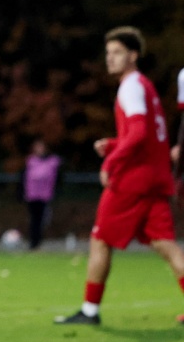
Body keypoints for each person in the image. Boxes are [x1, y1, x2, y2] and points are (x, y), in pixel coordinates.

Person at [55, 27, 184, 326]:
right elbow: (150, 137)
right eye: (108, 53)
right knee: (166, 245)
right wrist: (114, 143)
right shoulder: (145, 87)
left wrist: (111, 161)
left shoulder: (131, 86)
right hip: (155, 177)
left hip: (133, 182)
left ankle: (89, 310)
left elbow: (139, 133)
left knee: (100, 240)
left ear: (133, 55)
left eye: (116, 53)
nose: (110, 59)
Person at [22, 139, 61, 250]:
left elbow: (57, 177)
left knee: (42, 219)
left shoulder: (52, 162)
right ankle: (34, 242)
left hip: (45, 195)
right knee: (34, 219)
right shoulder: (31, 161)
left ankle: (38, 241)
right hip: (32, 195)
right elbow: (24, 178)